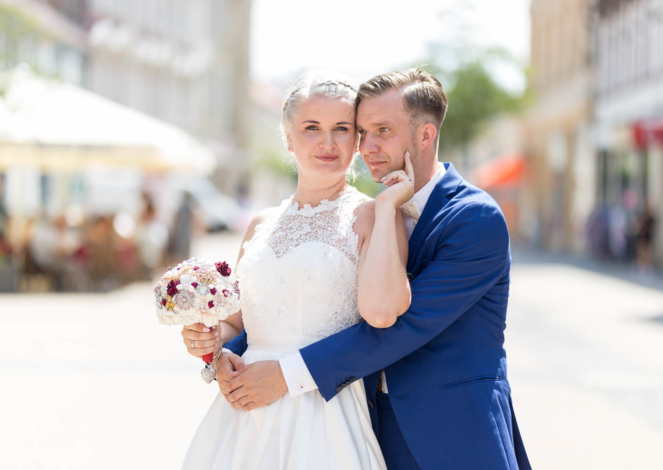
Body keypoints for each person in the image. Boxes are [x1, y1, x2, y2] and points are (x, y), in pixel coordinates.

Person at [193, 68, 531, 470]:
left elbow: (398, 327)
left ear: (424, 136)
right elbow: (283, 311)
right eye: (363, 131)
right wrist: (225, 355)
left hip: (453, 436)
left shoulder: (473, 219)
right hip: (368, 427)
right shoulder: (371, 211)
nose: (366, 145)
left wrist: (285, 376)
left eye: (381, 130)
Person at [180, 71, 415, 469]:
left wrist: (389, 206)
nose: (327, 143)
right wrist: (211, 345)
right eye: (311, 128)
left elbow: (383, 314)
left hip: (324, 417)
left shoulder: (375, 216)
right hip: (244, 415)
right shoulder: (258, 224)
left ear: (356, 142)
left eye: (341, 129)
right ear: (288, 138)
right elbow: (237, 325)